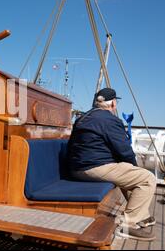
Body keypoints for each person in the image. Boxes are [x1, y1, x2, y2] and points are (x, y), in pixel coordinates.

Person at [67, 88, 157, 242]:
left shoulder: (82, 118)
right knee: (147, 179)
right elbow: (125, 151)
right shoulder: (110, 120)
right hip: (92, 169)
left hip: (75, 168)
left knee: (127, 174)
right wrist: (135, 168)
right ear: (113, 103)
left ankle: (141, 215)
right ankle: (128, 224)